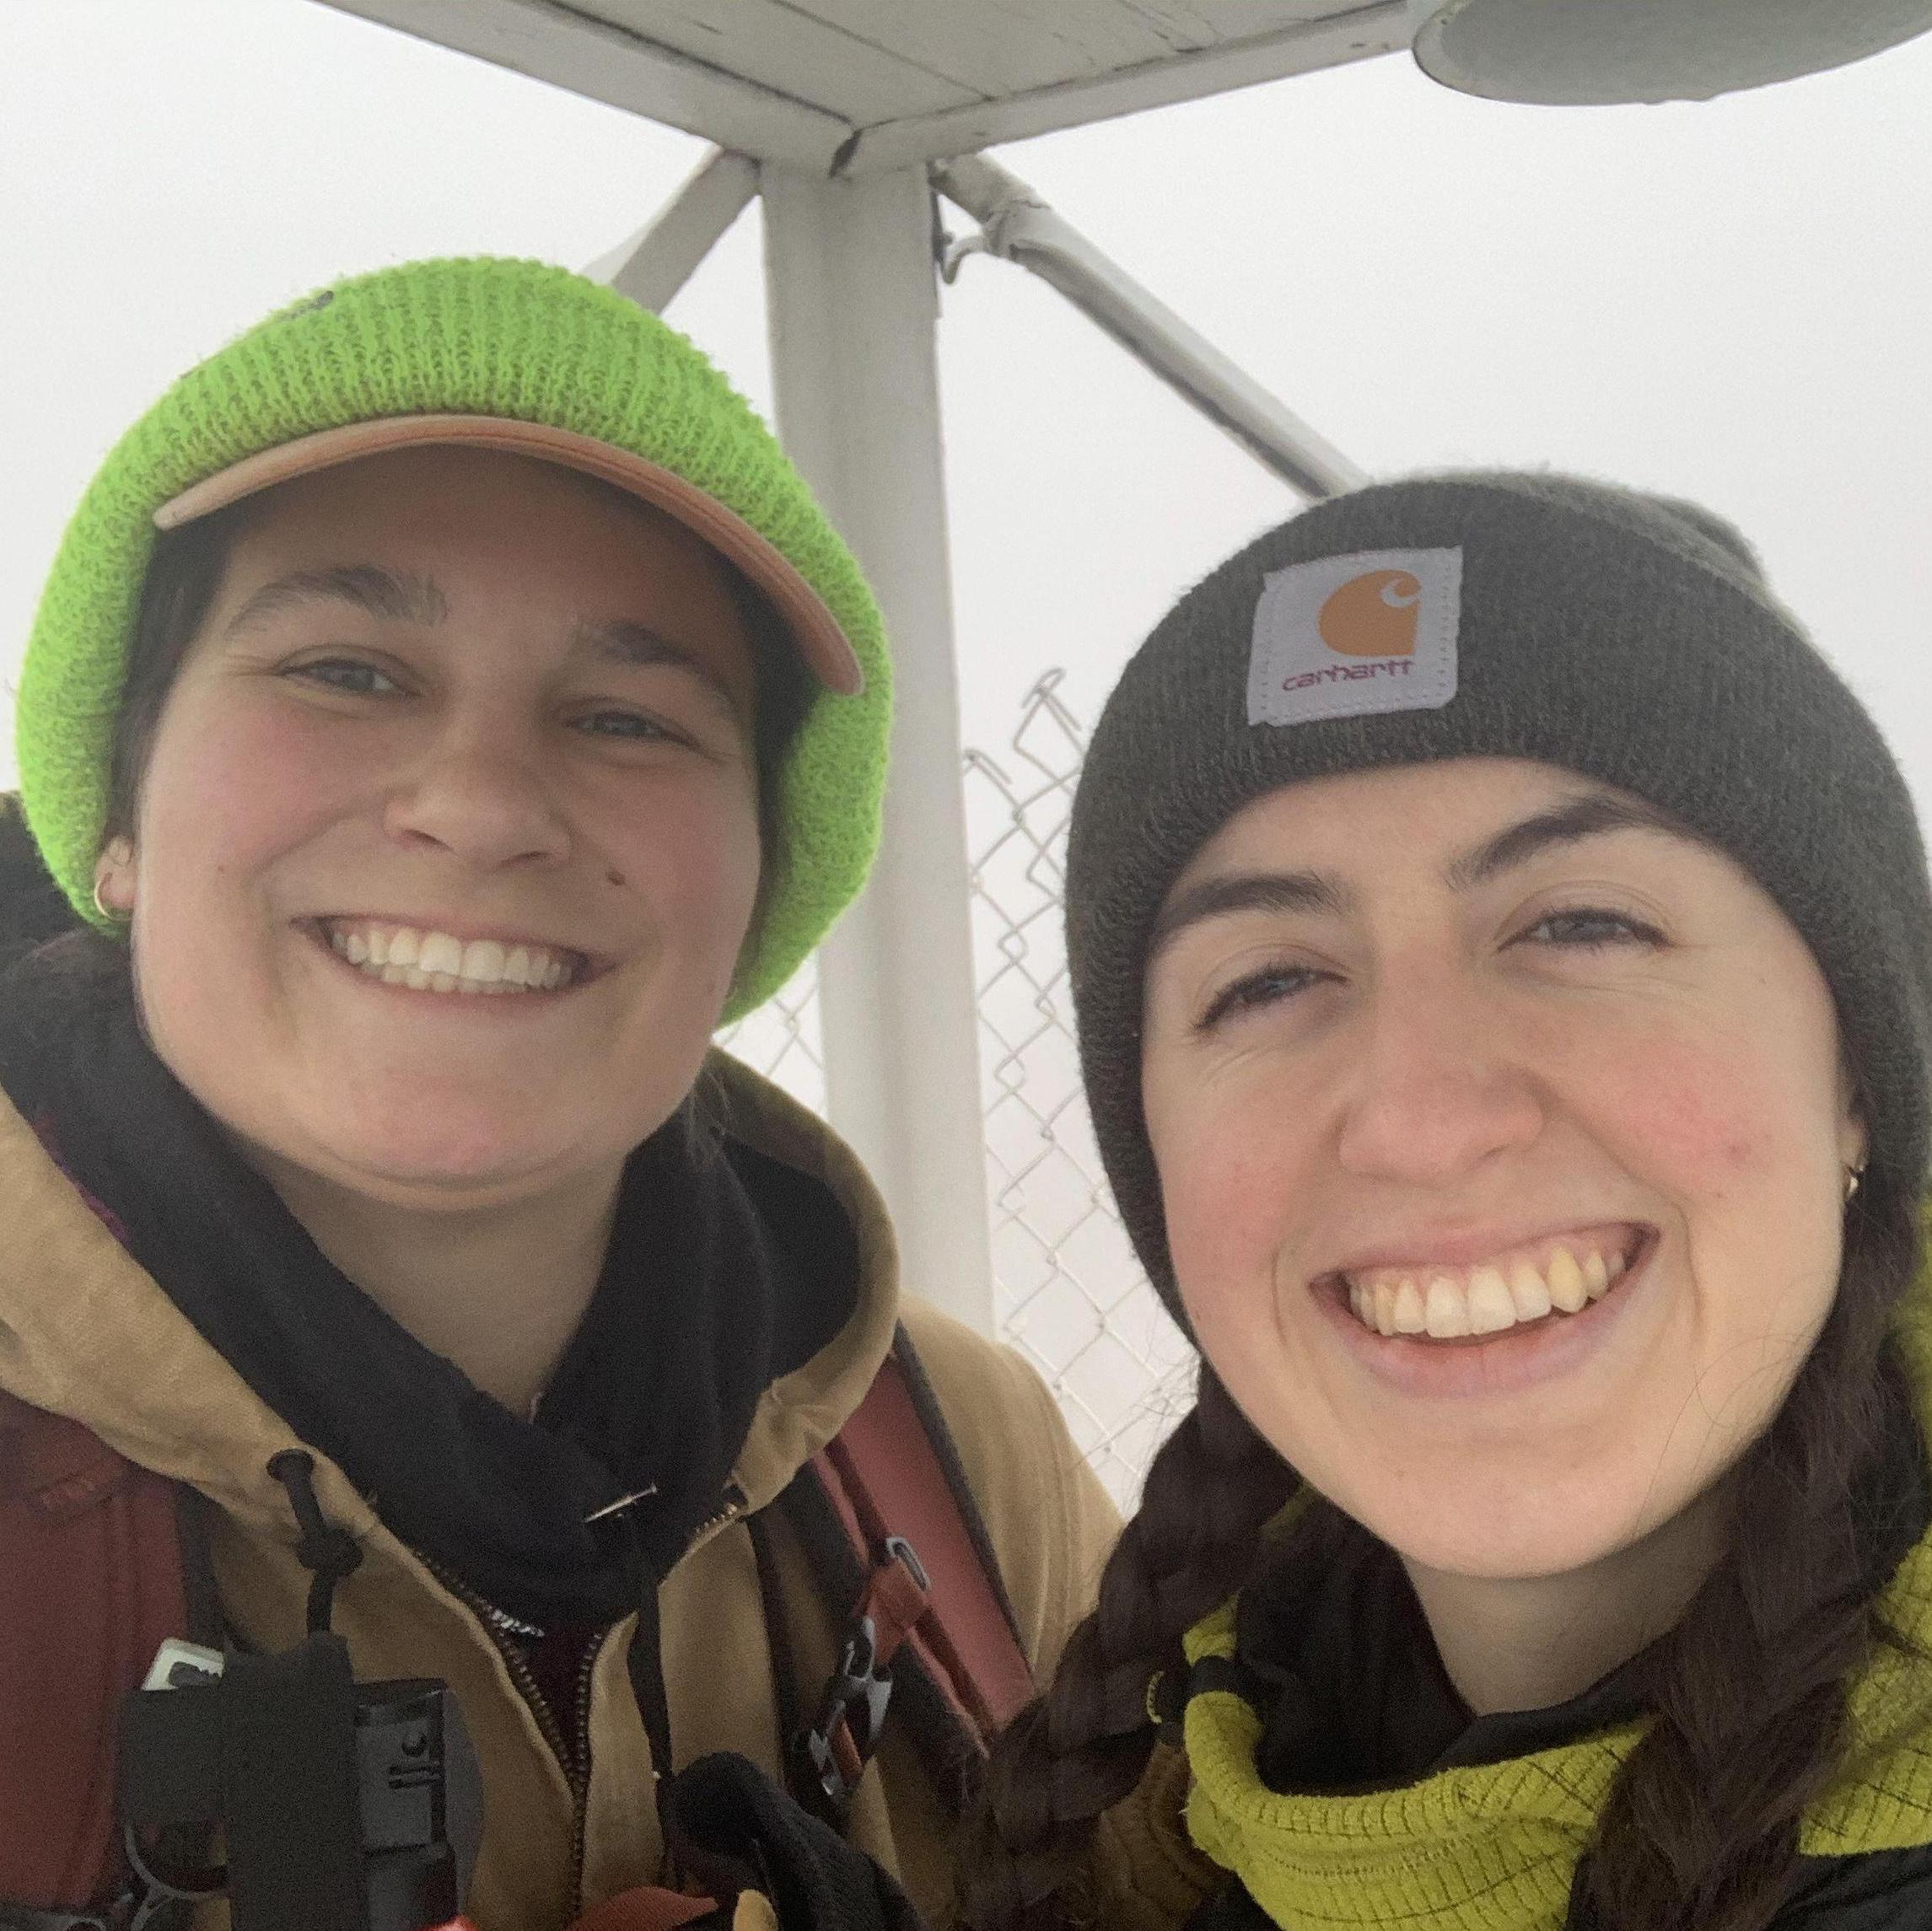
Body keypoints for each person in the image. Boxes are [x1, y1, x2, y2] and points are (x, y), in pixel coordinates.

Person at [0, 256, 1117, 1928]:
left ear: (757, 883)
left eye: (627, 715)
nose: (481, 802)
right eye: (346, 670)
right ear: (116, 809)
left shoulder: (946, 1448)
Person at [956, 474, 1932, 1931]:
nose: (1420, 1118)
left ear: (1855, 1070)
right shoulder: (1202, 1782)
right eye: (1269, 980)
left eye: (1582, 922)